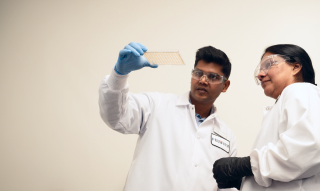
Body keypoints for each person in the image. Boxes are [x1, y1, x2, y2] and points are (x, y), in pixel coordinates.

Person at [99, 42, 238, 191]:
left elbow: (227, 187)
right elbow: (115, 117)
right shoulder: (157, 105)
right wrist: (119, 74)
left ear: (225, 86)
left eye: (213, 77)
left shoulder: (227, 137)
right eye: (198, 73)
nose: (203, 80)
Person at [212, 44, 320, 190]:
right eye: (260, 69)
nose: (260, 74)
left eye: (269, 64)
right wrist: (245, 180)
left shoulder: (301, 90)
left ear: (295, 67)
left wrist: (246, 166)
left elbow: (310, 147)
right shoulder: (283, 103)